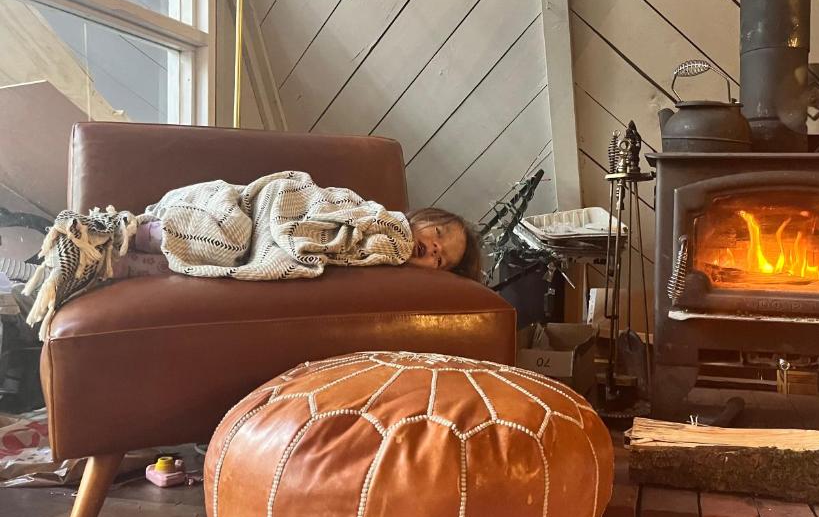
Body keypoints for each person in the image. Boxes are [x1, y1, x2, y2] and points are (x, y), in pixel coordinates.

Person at [4, 206, 481, 285]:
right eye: (437, 235)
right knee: (226, 232)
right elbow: (309, 207)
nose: (433, 249)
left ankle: (114, 265)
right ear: (418, 220)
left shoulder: (392, 275)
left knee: (208, 261)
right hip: (262, 214)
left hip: (272, 247)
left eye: (444, 259)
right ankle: (124, 233)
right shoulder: (377, 219)